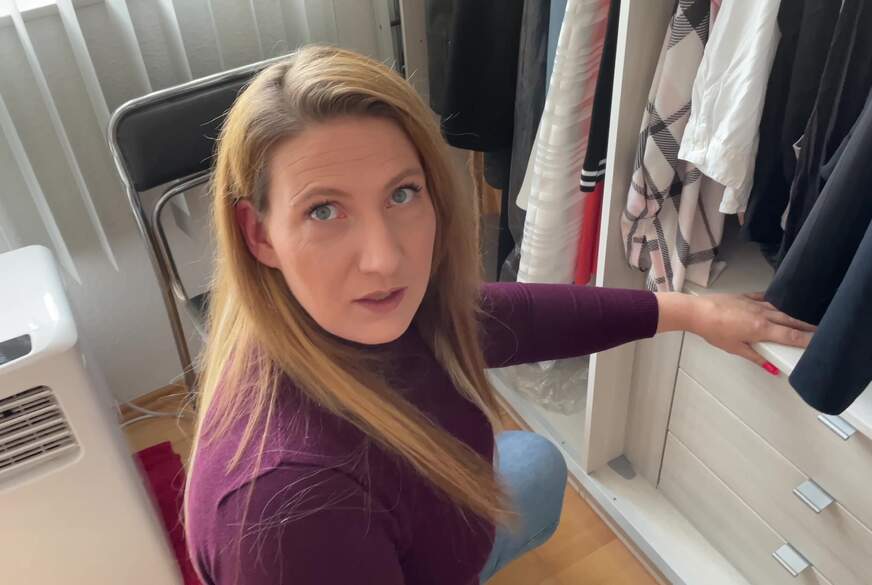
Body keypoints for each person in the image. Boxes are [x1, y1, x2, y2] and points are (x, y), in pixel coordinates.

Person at [183, 45, 815, 585]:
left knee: (535, 463)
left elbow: (502, 315)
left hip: (425, 523)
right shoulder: (293, 515)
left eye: (402, 193)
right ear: (259, 234)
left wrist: (690, 313)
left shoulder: (334, 314)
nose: (385, 259)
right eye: (324, 211)